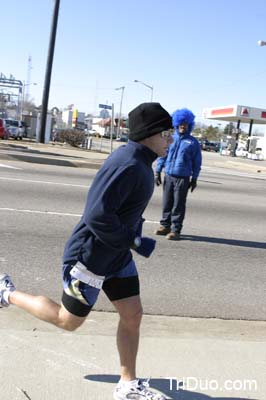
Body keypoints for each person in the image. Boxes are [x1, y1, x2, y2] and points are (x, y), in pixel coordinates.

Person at [0, 102, 174, 400]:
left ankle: (128, 384)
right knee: (68, 321)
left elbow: (123, 211)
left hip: (116, 256)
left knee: (133, 314)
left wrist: (130, 237)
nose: (171, 139)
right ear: (149, 134)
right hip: (90, 258)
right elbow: (97, 216)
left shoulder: (141, 162)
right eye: (167, 133)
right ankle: (6, 293)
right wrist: (134, 241)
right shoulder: (128, 164)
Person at [154, 108, 202, 240]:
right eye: (181, 123)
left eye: (186, 123)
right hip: (169, 175)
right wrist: (158, 171)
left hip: (183, 177)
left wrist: (195, 178)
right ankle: (165, 226)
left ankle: (176, 230)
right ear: (176, 124)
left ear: (189, 125)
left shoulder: (193, 142)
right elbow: (163, 155)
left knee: (178, 205)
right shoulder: (171, 139)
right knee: (166, 202)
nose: (183, 126)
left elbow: (197, 162)